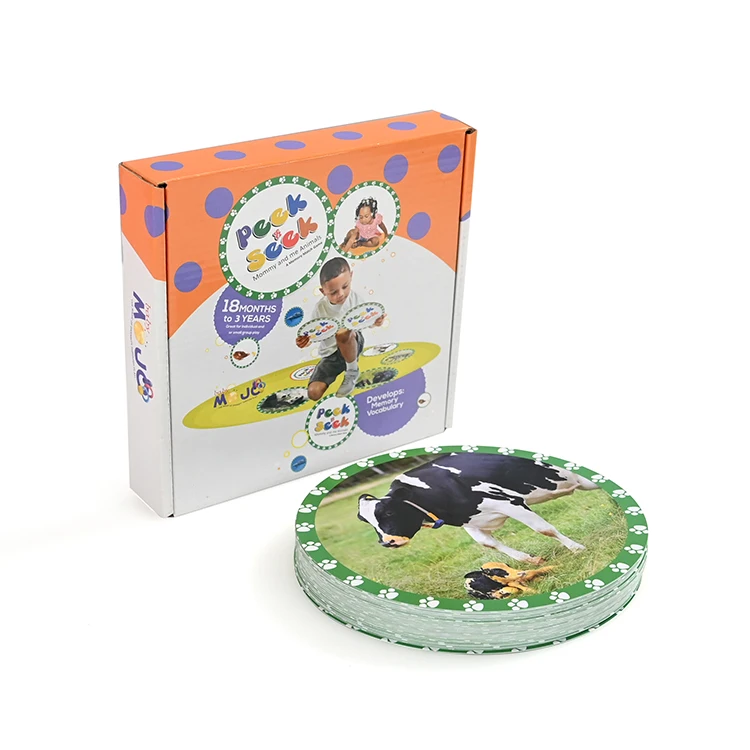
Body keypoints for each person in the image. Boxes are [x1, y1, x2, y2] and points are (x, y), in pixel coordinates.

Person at [296, 257, 385, 398]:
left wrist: (376, 322)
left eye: (345, 286)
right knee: (314, 393)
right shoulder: (320, 308)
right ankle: (339, 369)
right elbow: (313, 335)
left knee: (342, 333)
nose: (341, 294)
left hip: (353, 343)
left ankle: (352, 371)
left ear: (351, 276)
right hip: (331, 356)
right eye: (333, 292)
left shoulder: (355, 299)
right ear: (323, 291)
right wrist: (304, 341)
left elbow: (366, 320)